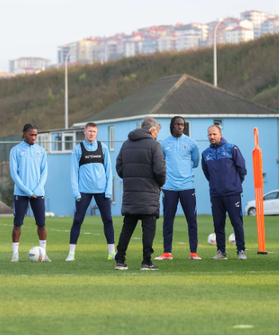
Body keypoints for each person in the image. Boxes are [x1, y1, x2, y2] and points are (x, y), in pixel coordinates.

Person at [114, 118, 166, 271]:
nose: (157, 135)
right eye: (157, 131)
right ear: (152, 131)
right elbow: (160, 170)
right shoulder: (154, 145)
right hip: (149, 193)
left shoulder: (126, 144)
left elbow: (119, 166)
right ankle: (146, 262)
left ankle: (120, 260)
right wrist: (160, 183)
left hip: (131, 193)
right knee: (148, 229)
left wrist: (131, 177)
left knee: (127, 228)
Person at [66, 122, 114, 261]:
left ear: (97, 133)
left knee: (108, 220)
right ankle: (71, 253)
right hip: (83, 192)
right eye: (89, 131)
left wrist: (108, 192)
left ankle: (112, 252)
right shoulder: (77, 149)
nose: (91, 133)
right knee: (77, 220)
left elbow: (109, 171)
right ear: (84, 132)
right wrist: (76, 193)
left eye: (94, 131)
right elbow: (73, 173)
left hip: (102, 191)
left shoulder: (103, 148)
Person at [155, 116, 201, 261]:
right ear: (172, 126)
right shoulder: (163, 144)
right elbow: (161, 164)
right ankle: (167, 252)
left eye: (182, 125)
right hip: (169, 187)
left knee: (192, 220)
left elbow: (195, 163)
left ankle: (193, 252)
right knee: (168, 220)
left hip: (187, 187)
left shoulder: (192, 144)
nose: (180, 127)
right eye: (177, 124)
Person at [201, 125, 247, 260]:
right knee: (218, 223)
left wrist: (234, 184)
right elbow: (207, 173)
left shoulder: (232, 148)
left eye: (214, 134)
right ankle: (221, 252)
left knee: (236, 222)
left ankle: (241, 250)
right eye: (209, 134)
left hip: (232, 193)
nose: (212, 137)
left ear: (220, 135)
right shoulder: (205, 153)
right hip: (216, 194)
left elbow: (242, 169)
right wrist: (216, 185)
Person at [9, 123, 49, 263]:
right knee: (17, 223)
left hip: (38, 193)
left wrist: (37, 189)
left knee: (41, 224)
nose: (34, 137)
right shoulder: (15, 150)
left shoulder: (41, 151)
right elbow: (14, 173)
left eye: (35, 135)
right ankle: (15, 254)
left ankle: (44, 254)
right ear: (24, 133)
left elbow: (44, 172)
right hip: (21, 193)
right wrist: (26, 190)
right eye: (31, 134)